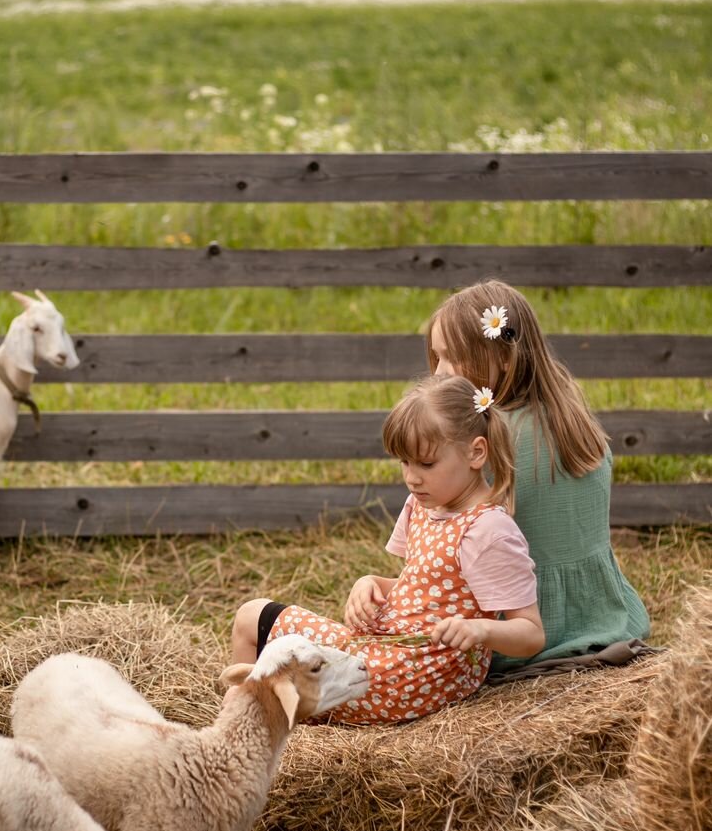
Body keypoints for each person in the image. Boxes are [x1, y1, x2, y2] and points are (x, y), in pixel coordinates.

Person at [230, 375, 544, 726]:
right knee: (283, 654)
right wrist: (373, 583)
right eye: (404, 462)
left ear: (476, 452)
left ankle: (239, 729)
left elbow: (530, 632)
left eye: (426, 464)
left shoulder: (489, 530)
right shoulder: (424, 505)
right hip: (393, 660)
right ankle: (258, 716)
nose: (412, 477)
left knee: (250, 618)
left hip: (401, 679)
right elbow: (425, 587)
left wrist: (481, 630)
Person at [426, 280, 650, 675]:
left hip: (518, 633)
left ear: (505, 357)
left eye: (453, 358)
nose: (441, 373)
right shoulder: (574, 420)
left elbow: (440, 547)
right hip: (602, 617)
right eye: (437, 357)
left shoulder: (486, 441)